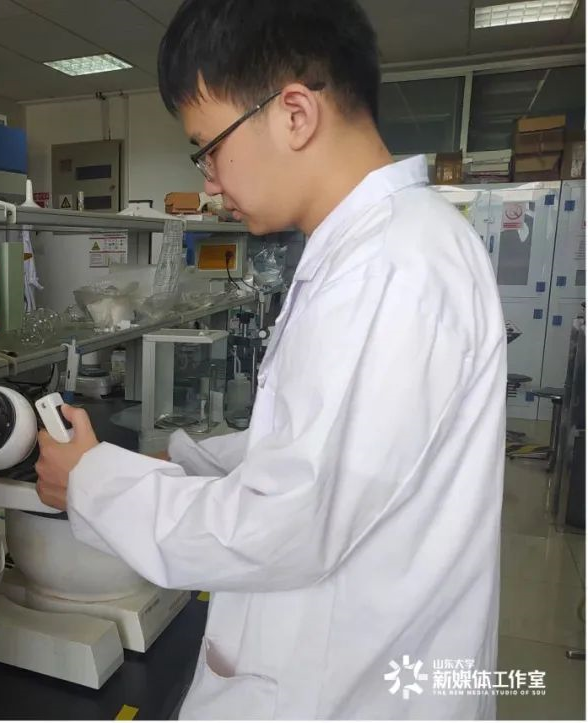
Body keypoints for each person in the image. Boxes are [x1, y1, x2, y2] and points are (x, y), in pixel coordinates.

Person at [34, 0, 506, 718]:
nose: (209, 180)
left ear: (294, 114)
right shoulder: (380, 248)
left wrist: (93, 484)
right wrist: (178, 461)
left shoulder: (388, 266)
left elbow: (285, 524)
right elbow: (319, 449)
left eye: (208, 146)